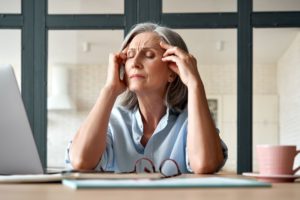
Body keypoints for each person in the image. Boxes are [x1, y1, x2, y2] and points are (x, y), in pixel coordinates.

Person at [66, 22, 228, 175]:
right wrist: (109, 90)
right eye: (129, 55)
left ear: (173, 70)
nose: (135, 62)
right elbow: (81, 162)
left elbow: (205, 165)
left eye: (149, 55)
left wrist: (194, 84)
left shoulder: (190, 123)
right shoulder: (113, 121)